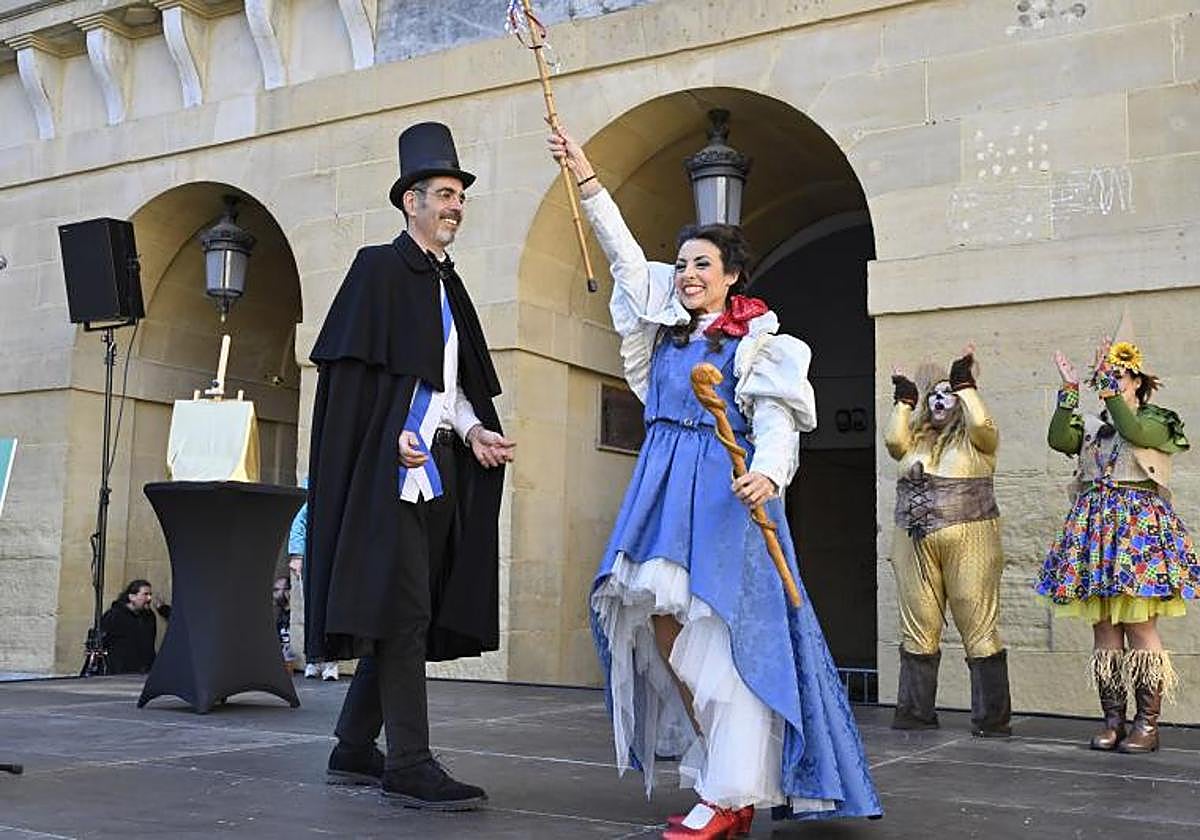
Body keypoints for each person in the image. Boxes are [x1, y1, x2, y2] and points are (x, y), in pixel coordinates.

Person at [549, 128, 880, 839]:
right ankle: (718, 774)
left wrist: (767, 471)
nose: (688, 274)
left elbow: (777, 420)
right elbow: (626, 260)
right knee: (668, 627)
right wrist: (587, 179)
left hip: (724, 499)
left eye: (703, 264)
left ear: (733, 275)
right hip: (663, 492)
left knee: (725, 639)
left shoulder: (760, 343)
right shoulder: (662, 338)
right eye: (684, 265)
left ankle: (732, 794)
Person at [305, 122, 515, 809]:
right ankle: (409, 762)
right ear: (411, 202)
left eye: (460, 196)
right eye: (445, 194)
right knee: (404, 611)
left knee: (410, 610)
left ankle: (353, 746)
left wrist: (478, 429)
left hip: (441, 470)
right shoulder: (377, 269)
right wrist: (387, 435)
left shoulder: (446, 286)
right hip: (388, 471)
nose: (455, 206)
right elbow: (356, 385)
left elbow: (445, 387)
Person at [1035, 329, 1199, 753]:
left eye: (1121, 376)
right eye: (1105, 378)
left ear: (1138, 381)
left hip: (1138, 533)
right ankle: (1114, 720)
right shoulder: (1094, 428)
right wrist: (1069, 391)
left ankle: (1148, 723)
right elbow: (1059, 439)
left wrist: (1108, 390)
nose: (1111, 384)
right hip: (1095, 529)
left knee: (1140, 624)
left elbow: (1135, 430)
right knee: (1104, 625)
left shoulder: (1158, 420)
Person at [885, 349, 1012, 737]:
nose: (939, 400)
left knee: (978, 624)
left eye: (948, 394)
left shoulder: (977, 442)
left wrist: (966, 386)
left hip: (971, 536)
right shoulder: (914, 444)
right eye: (934, 394)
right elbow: (893, 442)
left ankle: (991, 718)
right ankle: (915, 712)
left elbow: (985, 426)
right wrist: (904, 401)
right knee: (918, 626)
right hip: (913, 539)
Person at [286, 483, 338, 680]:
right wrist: (297, 555)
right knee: (312, 610)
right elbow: (300, 523)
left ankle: (331, 661)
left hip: (334, 559)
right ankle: (313, 659)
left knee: (333, 611)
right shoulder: (314, 496)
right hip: (314, 560)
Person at [101, 579, 170, 675]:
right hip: (121, 672)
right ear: (132, 597)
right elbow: (103, 641)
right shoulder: (114, 616)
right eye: (145, 594)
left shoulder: (149, 616)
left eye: (150, 594)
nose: (149, 598)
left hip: (145, 671)